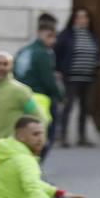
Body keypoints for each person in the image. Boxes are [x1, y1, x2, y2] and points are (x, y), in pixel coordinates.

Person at [53, 7, 100, 147]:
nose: (82, 20)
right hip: (71, 77)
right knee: (68, 106)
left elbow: (97, 53)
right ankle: (63, 136)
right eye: (79, 17)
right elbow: (57, 53)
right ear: (74, 19)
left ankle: (82, 136)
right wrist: (57, 69)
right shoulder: (66, 35)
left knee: (85, 107)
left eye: (85, 17)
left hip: (88, 77)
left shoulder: (92, 36)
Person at [14, 25, 63, 162]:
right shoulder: (42, 53)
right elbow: (48, 80)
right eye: (50, 36)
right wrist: (60, 95)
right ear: (41, 34)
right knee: (44, 134)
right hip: (41, 97)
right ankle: (35, 165)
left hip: (23, 96)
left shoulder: (24, 51)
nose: (53, 41)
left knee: (25, 132)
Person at [0, 51, 41, 144]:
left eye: (5, 64)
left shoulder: (20, 91)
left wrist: (35, 144)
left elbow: (39, 117)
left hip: (13, 150)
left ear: (11, 67)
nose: (1, 67)